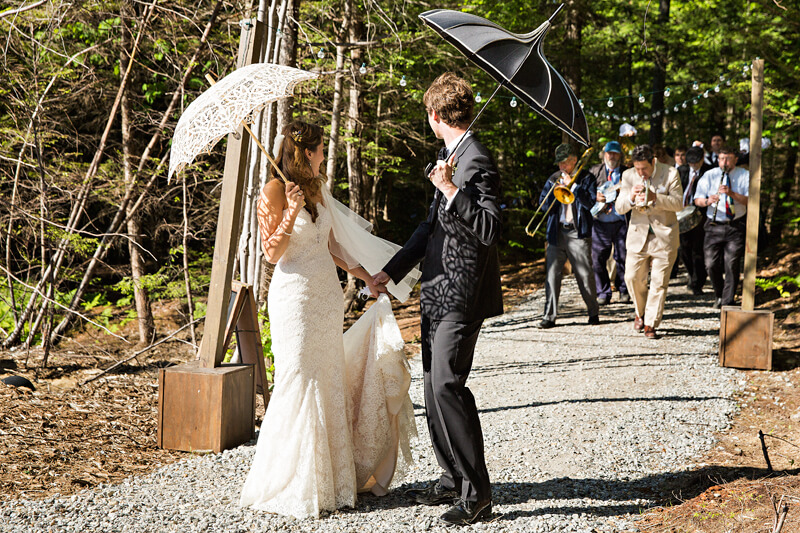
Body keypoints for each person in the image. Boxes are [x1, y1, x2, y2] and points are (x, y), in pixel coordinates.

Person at [240, 120, 419, 519]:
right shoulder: (272, 190)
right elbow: (272, 252)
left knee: (327, 377)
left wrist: (366, 277)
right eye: (321, 149)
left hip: (325, 297)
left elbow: (332, 246)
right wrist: (290, 213)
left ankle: (331, 483)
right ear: (306, 152)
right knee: (299, 377)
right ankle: (293, 481)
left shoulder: (317, 190)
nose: (324, 155)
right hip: (294, 299)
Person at [372, 72, 502, 526]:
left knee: (447, 385)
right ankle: (451, 477)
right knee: (432, 387)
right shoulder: (450, 155)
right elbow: (430, 229)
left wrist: (450, 189)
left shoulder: (475, 160)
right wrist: (390, 272)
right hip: (437, 289)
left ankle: (478, 493)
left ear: (434, 115)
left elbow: (488, 230)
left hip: (463, 293)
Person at [615, 145, 683, 339]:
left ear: (653, 161)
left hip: (664, 236)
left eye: (644, 168)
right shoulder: (628, 175)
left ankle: (651, 324)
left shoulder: (670, 173)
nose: (640, 173)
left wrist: (656, 198)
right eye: (637, 168)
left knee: (658, 283)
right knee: (631, 277)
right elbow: (619, 208)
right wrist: (630, 197)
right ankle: (641, 312)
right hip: (638, 236)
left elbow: (679, 203)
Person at [537, 143, 599, 328]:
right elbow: (543, 206)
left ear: (573, 160)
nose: (561, 167)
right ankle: (549, 316)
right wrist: (556, 193)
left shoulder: (587, 178)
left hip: (578, 232)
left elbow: (590, 205)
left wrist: (576, 188)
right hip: (556, 233)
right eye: (559, 164)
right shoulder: (553, 179)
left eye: (564, 163)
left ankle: (593, 312)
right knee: (552, 276)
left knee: (584, 274)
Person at [693, 146, 749, 309]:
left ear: (735, 159)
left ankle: (727, 300)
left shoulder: (744, 175)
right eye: (721, 159)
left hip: (735, 224)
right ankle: (719, 293)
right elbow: (697, 200)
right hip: (714, 224)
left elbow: (749, 200)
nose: (724, 162)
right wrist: (707, 201)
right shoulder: (710, 175)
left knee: (731, 263)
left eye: (728, 158)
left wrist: (731, 193)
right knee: (710, 264)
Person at [588, 140, 630, 305]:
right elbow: (586, 193)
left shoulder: (628, 173)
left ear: (620, 155)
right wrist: (596, 197)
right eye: (609, 153)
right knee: (598, 259)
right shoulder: (594, 172)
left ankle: (624, 290)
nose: (612, 156)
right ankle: (603, 292)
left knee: (623, 258)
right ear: (604, 154)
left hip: (622, 222)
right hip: (600, 223)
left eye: (615, 153)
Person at [677, 146, 713, 295]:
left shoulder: (709, 172)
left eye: (695, 162)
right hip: (682, 214)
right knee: (684, 249)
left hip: (701, 214)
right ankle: (692, 275)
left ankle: (698, 282)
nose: (693, 165)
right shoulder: (682, 171)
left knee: (698, 249)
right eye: (690, 163)